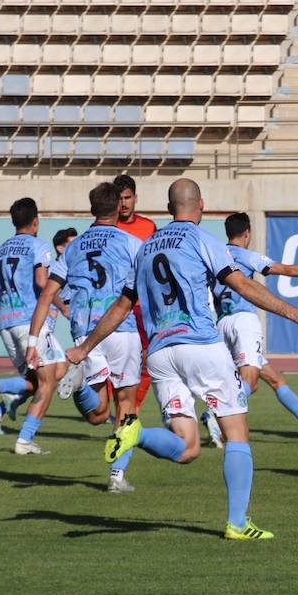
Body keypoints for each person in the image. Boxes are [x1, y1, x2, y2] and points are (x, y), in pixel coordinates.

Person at [68, 178, 298, 539]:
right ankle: (237, 523)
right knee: (236, 432)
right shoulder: (202, 239)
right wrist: (291, 312)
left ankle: (136, 433)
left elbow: (121, 305)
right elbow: (241, 283)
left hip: (160, 355)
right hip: (200, 345)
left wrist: (85, 347)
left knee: (187, 448)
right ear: (201, 204)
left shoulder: (146, 247)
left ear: (169, 208)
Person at [22, 183, 142, 476]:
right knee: (126, 402)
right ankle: (117, 476)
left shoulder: (73, 248)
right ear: (118, 207)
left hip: (84, 331)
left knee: (97, 414)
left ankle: (78, 386)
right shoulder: (132, 243)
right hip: (121, 328)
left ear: (92, 209)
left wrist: (33, 342)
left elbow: (47, 295)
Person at [205, 212, 298, 447]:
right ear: (247, 233)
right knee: (250, 380)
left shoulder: (215, 256)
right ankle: (214, 413)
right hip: (243, 321)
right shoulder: (245, 255)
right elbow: (287, 269)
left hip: (222, 324)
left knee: (275, 379)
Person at [0, 198, 66, 439]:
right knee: (51, 379)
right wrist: (63, 306)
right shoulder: (38, 246)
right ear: (36, 221)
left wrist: (4, 323)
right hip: (30, 324)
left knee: (47, 375)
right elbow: (42, 282)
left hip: (6, 326)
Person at [113, 174, 157, 419]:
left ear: (135, 198)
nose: (124, 203)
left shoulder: (148, 227)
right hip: (115, 306)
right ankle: (119, 409)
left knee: (148, 361)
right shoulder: (109, 228)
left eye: (128, 198)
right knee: (116, 362)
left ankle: (134, 409)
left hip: (142, 306)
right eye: (119, 199)